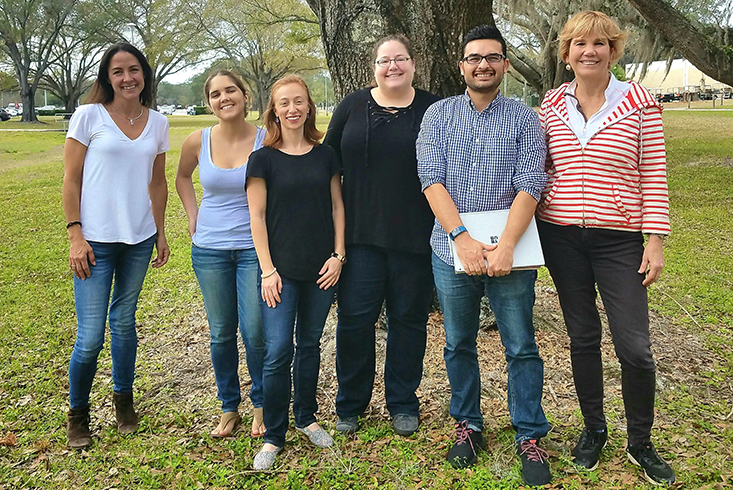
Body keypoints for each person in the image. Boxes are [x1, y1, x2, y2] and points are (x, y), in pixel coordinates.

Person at [537, 11, 675, 485]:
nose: (589, 51)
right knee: (582, 337)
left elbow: (653, 175)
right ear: (567, 53)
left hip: (619, 240)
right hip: (561, 238)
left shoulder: (639, 102)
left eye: (599, 44)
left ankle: (640, 442)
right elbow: (538, 171)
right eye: (579, 44)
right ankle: (594, 429)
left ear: (613, 50)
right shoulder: (550, 106)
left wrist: (655, 240)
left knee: (634, 347)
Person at [417, 25, 551, 486]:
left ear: (506, 65)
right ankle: (468, 425)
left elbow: (532, 182)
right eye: (474, 58)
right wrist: (462, 238)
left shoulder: (524, 117)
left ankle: (529, 433)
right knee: (459, 343)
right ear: (462, 66)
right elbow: (430, 178)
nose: (483, 65)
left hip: (512, 252)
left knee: (521, 345)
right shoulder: (438, 115)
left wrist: (507, 246)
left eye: (492, 57)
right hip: (451, 249)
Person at [324, 35, 439, 437]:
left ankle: (403, 402)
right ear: (373, 67)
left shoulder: (433, 108)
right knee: (355, 323)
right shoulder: (352, 105)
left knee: (408, 322)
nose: (392, 66)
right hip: (360, 238)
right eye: (384, 60)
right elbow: (327, 162)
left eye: (400, 59)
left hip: (415, 239)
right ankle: (351, 404)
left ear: (413, 63)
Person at [62, 43, 169, 449]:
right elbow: (71, 180)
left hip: (138, 239)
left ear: (144, 74)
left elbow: (157, 182)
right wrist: (76, 234)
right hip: (94, 243)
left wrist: (160, 231)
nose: (127, 78)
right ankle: (78, 413)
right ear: (107, 77)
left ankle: (124, 400)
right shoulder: (88, 116)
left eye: (134, 70)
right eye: (118, 71)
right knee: (90, 336)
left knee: (124, 323)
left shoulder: (158, 122)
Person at [246, 74, 346, 470]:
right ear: (274, 109)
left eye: (299, 101)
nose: (292, 108)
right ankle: (274, 434)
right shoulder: (263, 158)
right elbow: (256, 216)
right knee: (277, 352)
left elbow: (338, 206)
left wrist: (339, 255)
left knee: (309, 344)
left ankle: (305, 416)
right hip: (280, 273)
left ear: (309, 107)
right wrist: (268, 270)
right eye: (284, 102)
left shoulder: (326, 155)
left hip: (321, 269)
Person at [176, 70, 266, 439]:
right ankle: (229, 408)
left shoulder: (266, 139)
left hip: (253, 249)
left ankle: (261, 405)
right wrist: (192, 214)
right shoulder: (198, 140)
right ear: (209, 101)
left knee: (255, 331)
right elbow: (182, 177)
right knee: (220, 333)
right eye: (215, 94)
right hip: (209, 250)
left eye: (230, 90)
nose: (223, 98)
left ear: (245, 96)